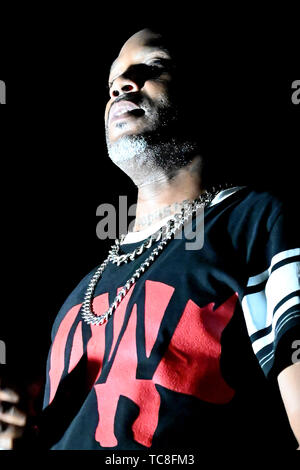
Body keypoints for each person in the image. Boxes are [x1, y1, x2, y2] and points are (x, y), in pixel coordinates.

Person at [1, 27, 299, 451]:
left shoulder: (256, 223)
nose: (123, 85)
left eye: (153, 66)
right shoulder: (75, 301)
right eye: (112, 81)